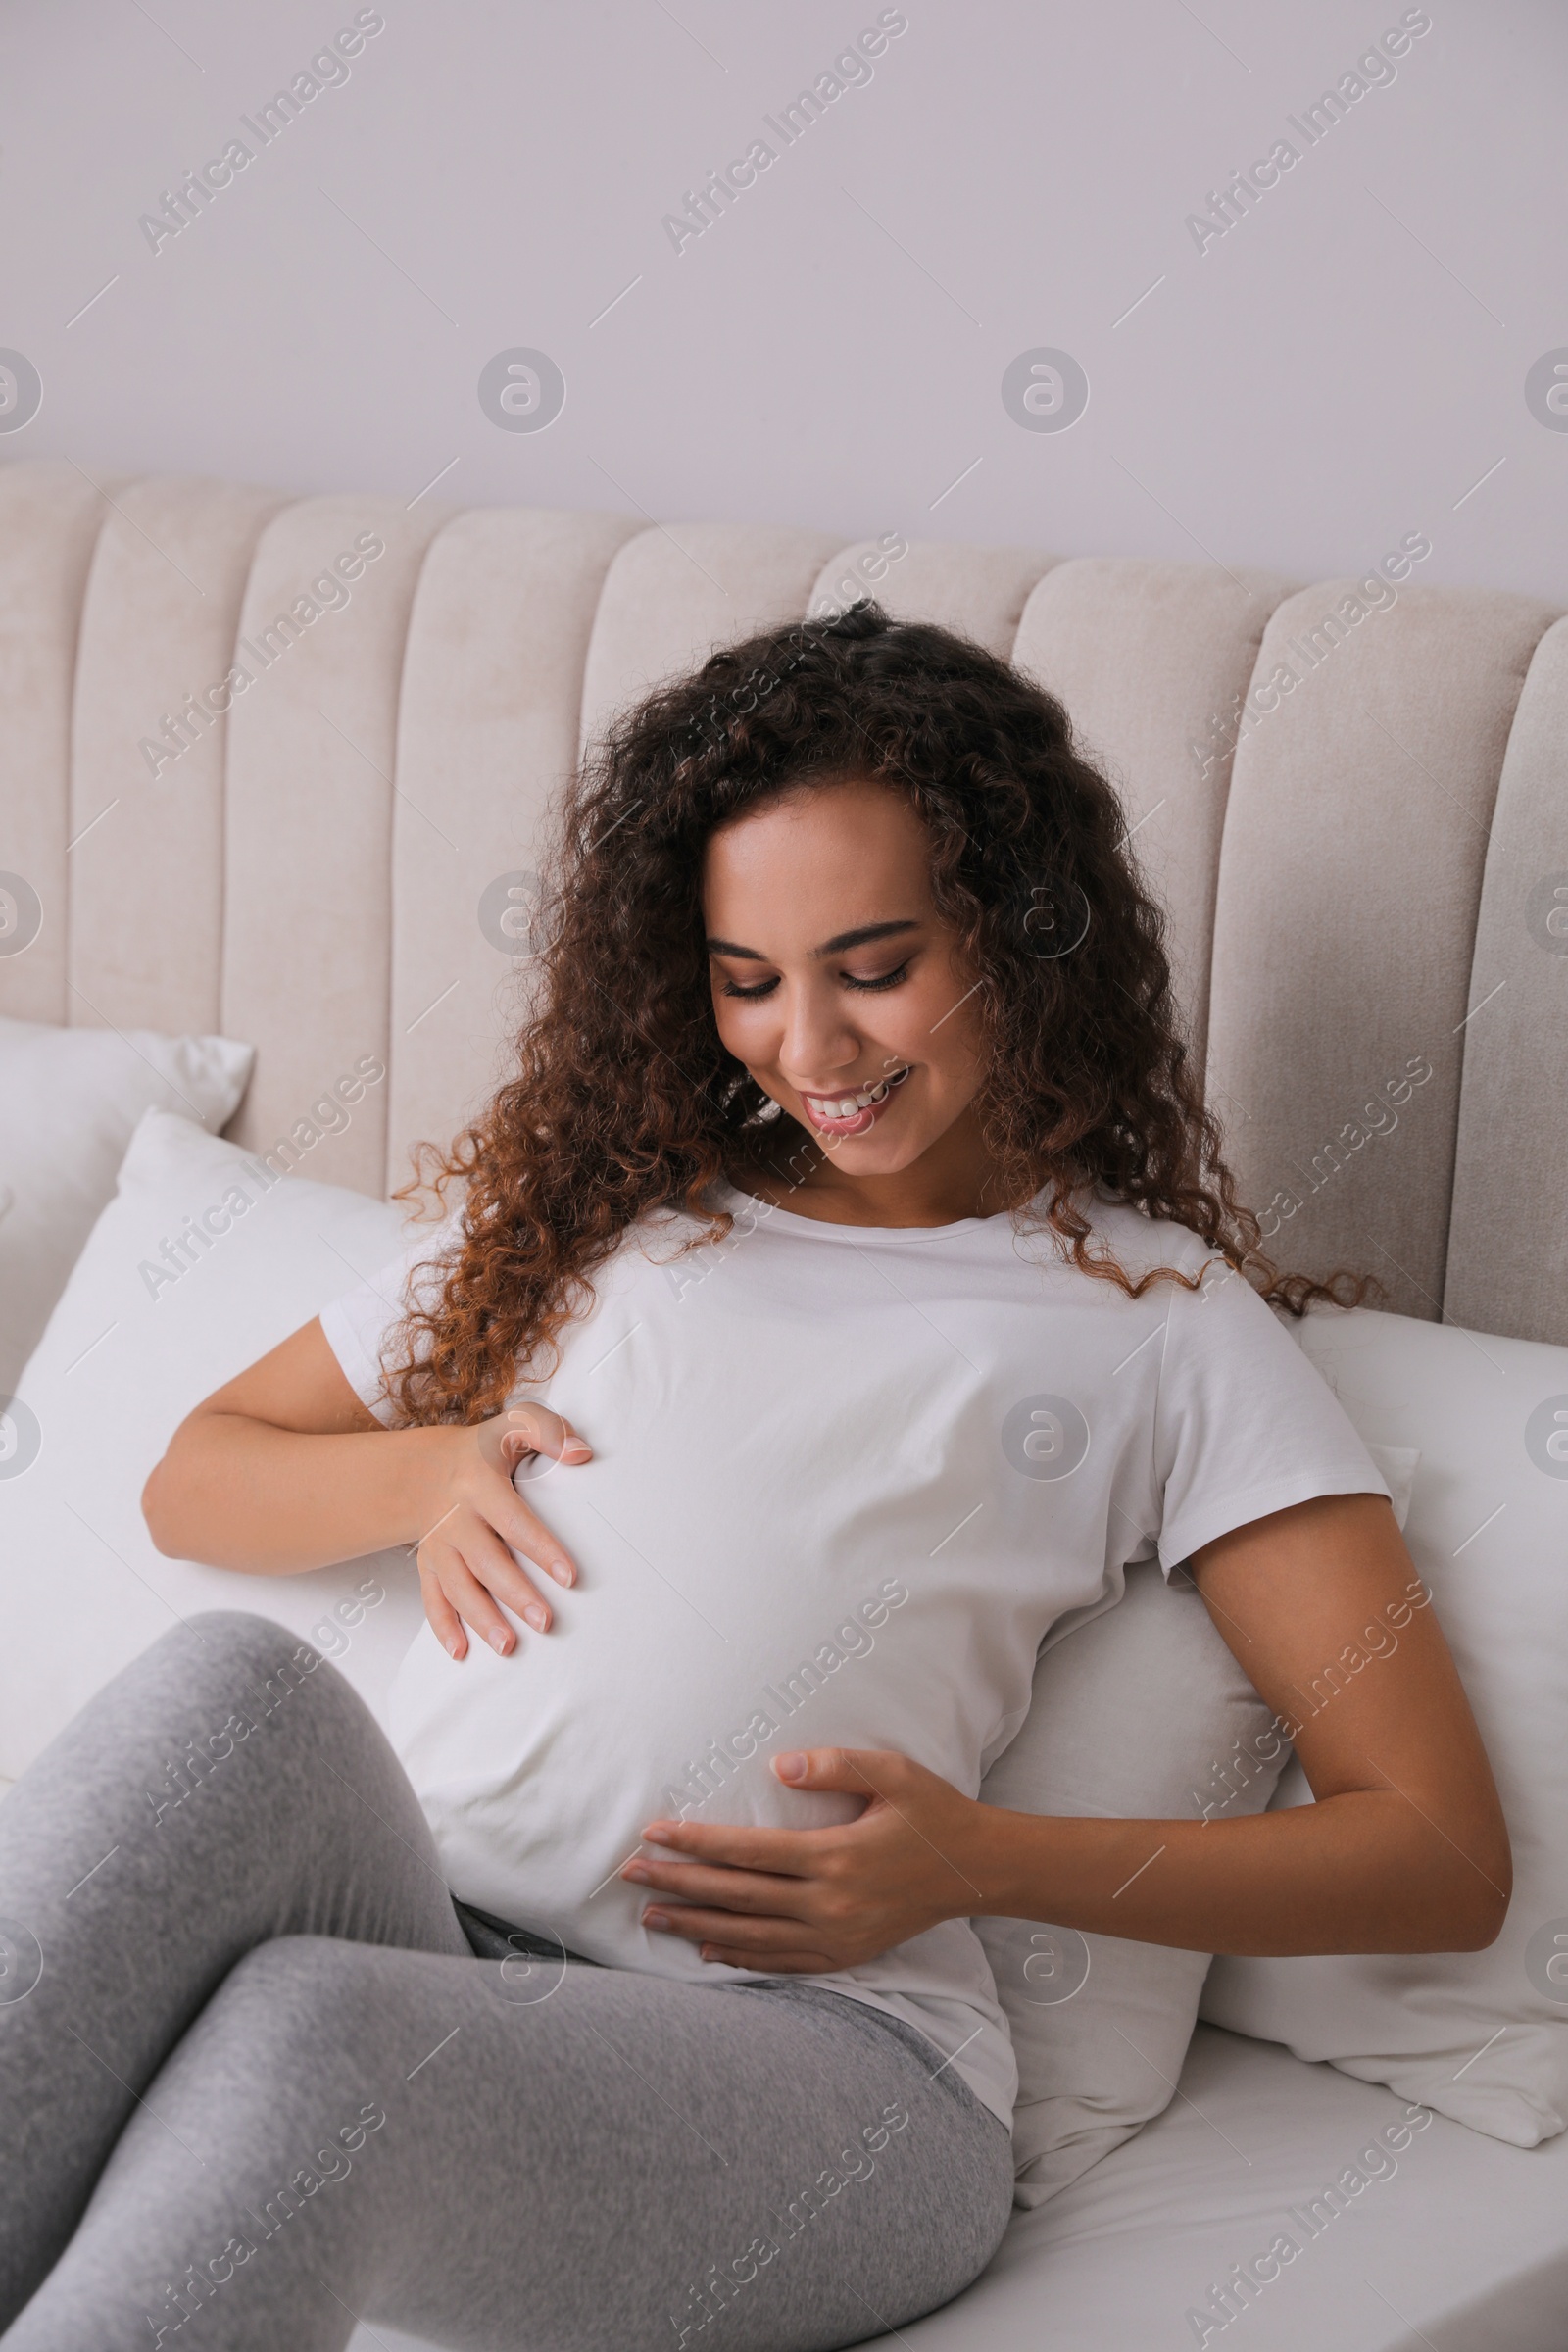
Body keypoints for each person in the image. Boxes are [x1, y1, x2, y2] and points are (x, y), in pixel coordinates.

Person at [0, 606, 1508, 2352]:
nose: (811, 1048)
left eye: (875, 965)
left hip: (826, 2076)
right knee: (226, 1700)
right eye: (748, 982)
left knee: (312, 2050)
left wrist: (978, 1861)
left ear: (1020, 935)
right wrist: (420, 1478)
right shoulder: (619, 1212)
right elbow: (194, 1476)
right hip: (437, 1922)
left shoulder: (1159, 1316)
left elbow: (1434, 1852)